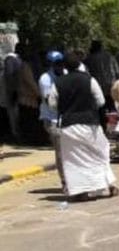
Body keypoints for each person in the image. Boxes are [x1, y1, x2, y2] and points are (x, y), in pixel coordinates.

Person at [49, 51, 119, 202]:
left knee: (74, 160)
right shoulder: (89, 80)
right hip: (90, 124)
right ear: (80, 64)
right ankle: (109, 184)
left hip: (68, 126)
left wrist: (66, 108)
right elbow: (100, 101)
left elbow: (52, 104)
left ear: (64, 66)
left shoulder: (58, 83)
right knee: (100, 153)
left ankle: (81, 191)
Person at [38, 51, 66, 188]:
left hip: (67, 118)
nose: (60, 67)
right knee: (61, 151)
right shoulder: (45, 79)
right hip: (52, 119)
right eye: (56, 64)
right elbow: (49, 101)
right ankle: (64, 181)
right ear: (51, 65)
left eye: (61, 63)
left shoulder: (66, 73)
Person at [84, 40, 119, 111]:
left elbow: (86, 72)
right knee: (111, 105)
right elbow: (117, 71)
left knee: (100, 106)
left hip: (97, 85)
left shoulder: (89, 58)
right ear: (101, 47)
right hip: (110, 84)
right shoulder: (109, 56)